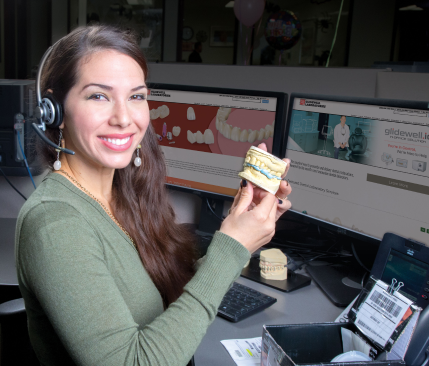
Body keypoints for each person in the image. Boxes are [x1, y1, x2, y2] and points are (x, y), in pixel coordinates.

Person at [15, 25, 293, 366]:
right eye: (98, 96)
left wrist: (241, 229)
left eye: (136, 96)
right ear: (54, 110)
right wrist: (232, 246)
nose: (124, 118)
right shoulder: (55, 224)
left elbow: (170, 300)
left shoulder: (124, 194)